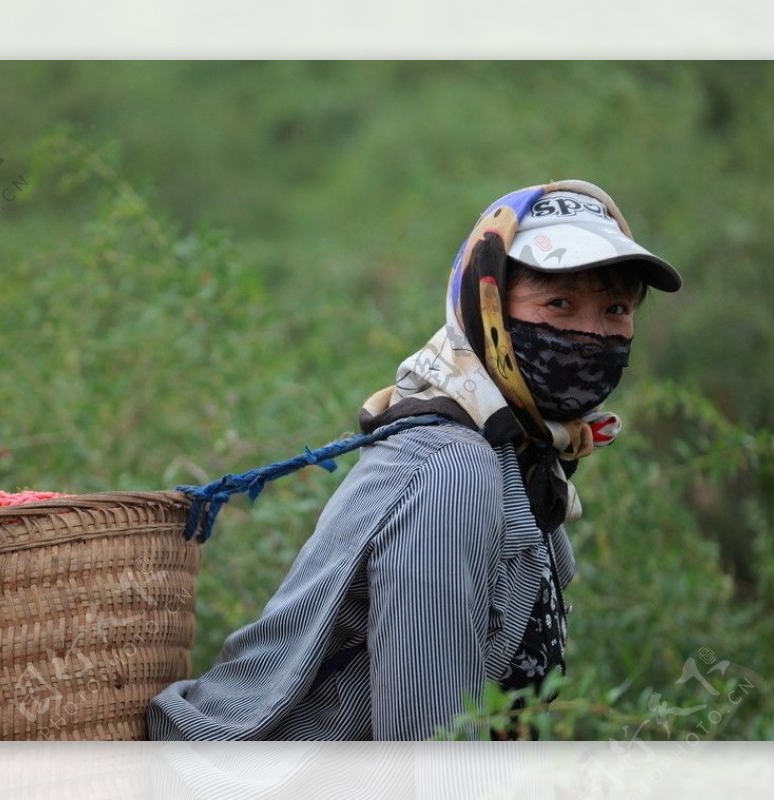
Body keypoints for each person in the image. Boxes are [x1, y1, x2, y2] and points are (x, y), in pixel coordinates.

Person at [146, 179, 682, 741]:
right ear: (488, 306)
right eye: (558, 303)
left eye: (615, 308)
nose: (591, 334)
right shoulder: (452, 472)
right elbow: (430, 751)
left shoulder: (521, 456)